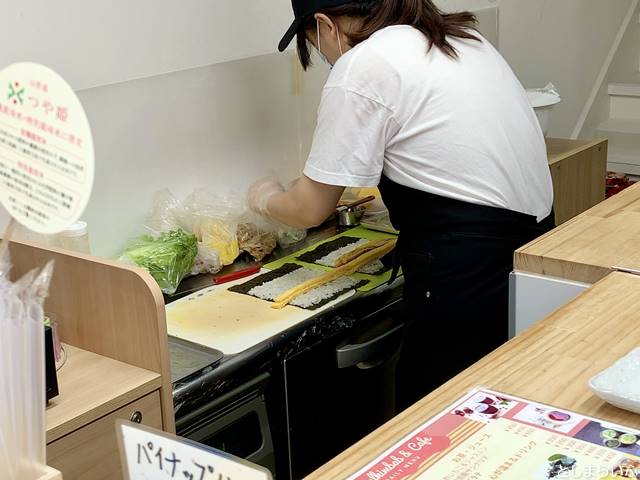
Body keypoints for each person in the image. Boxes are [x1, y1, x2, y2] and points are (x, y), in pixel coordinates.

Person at [248, 0, 555, 410]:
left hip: (469, 266)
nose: (324, 55)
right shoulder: (462, 38)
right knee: (507, 409)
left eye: (313, 43)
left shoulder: (364, 63)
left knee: (441, 419)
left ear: (325, 25)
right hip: (537, 248)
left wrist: (264, 198)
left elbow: (308, 210)